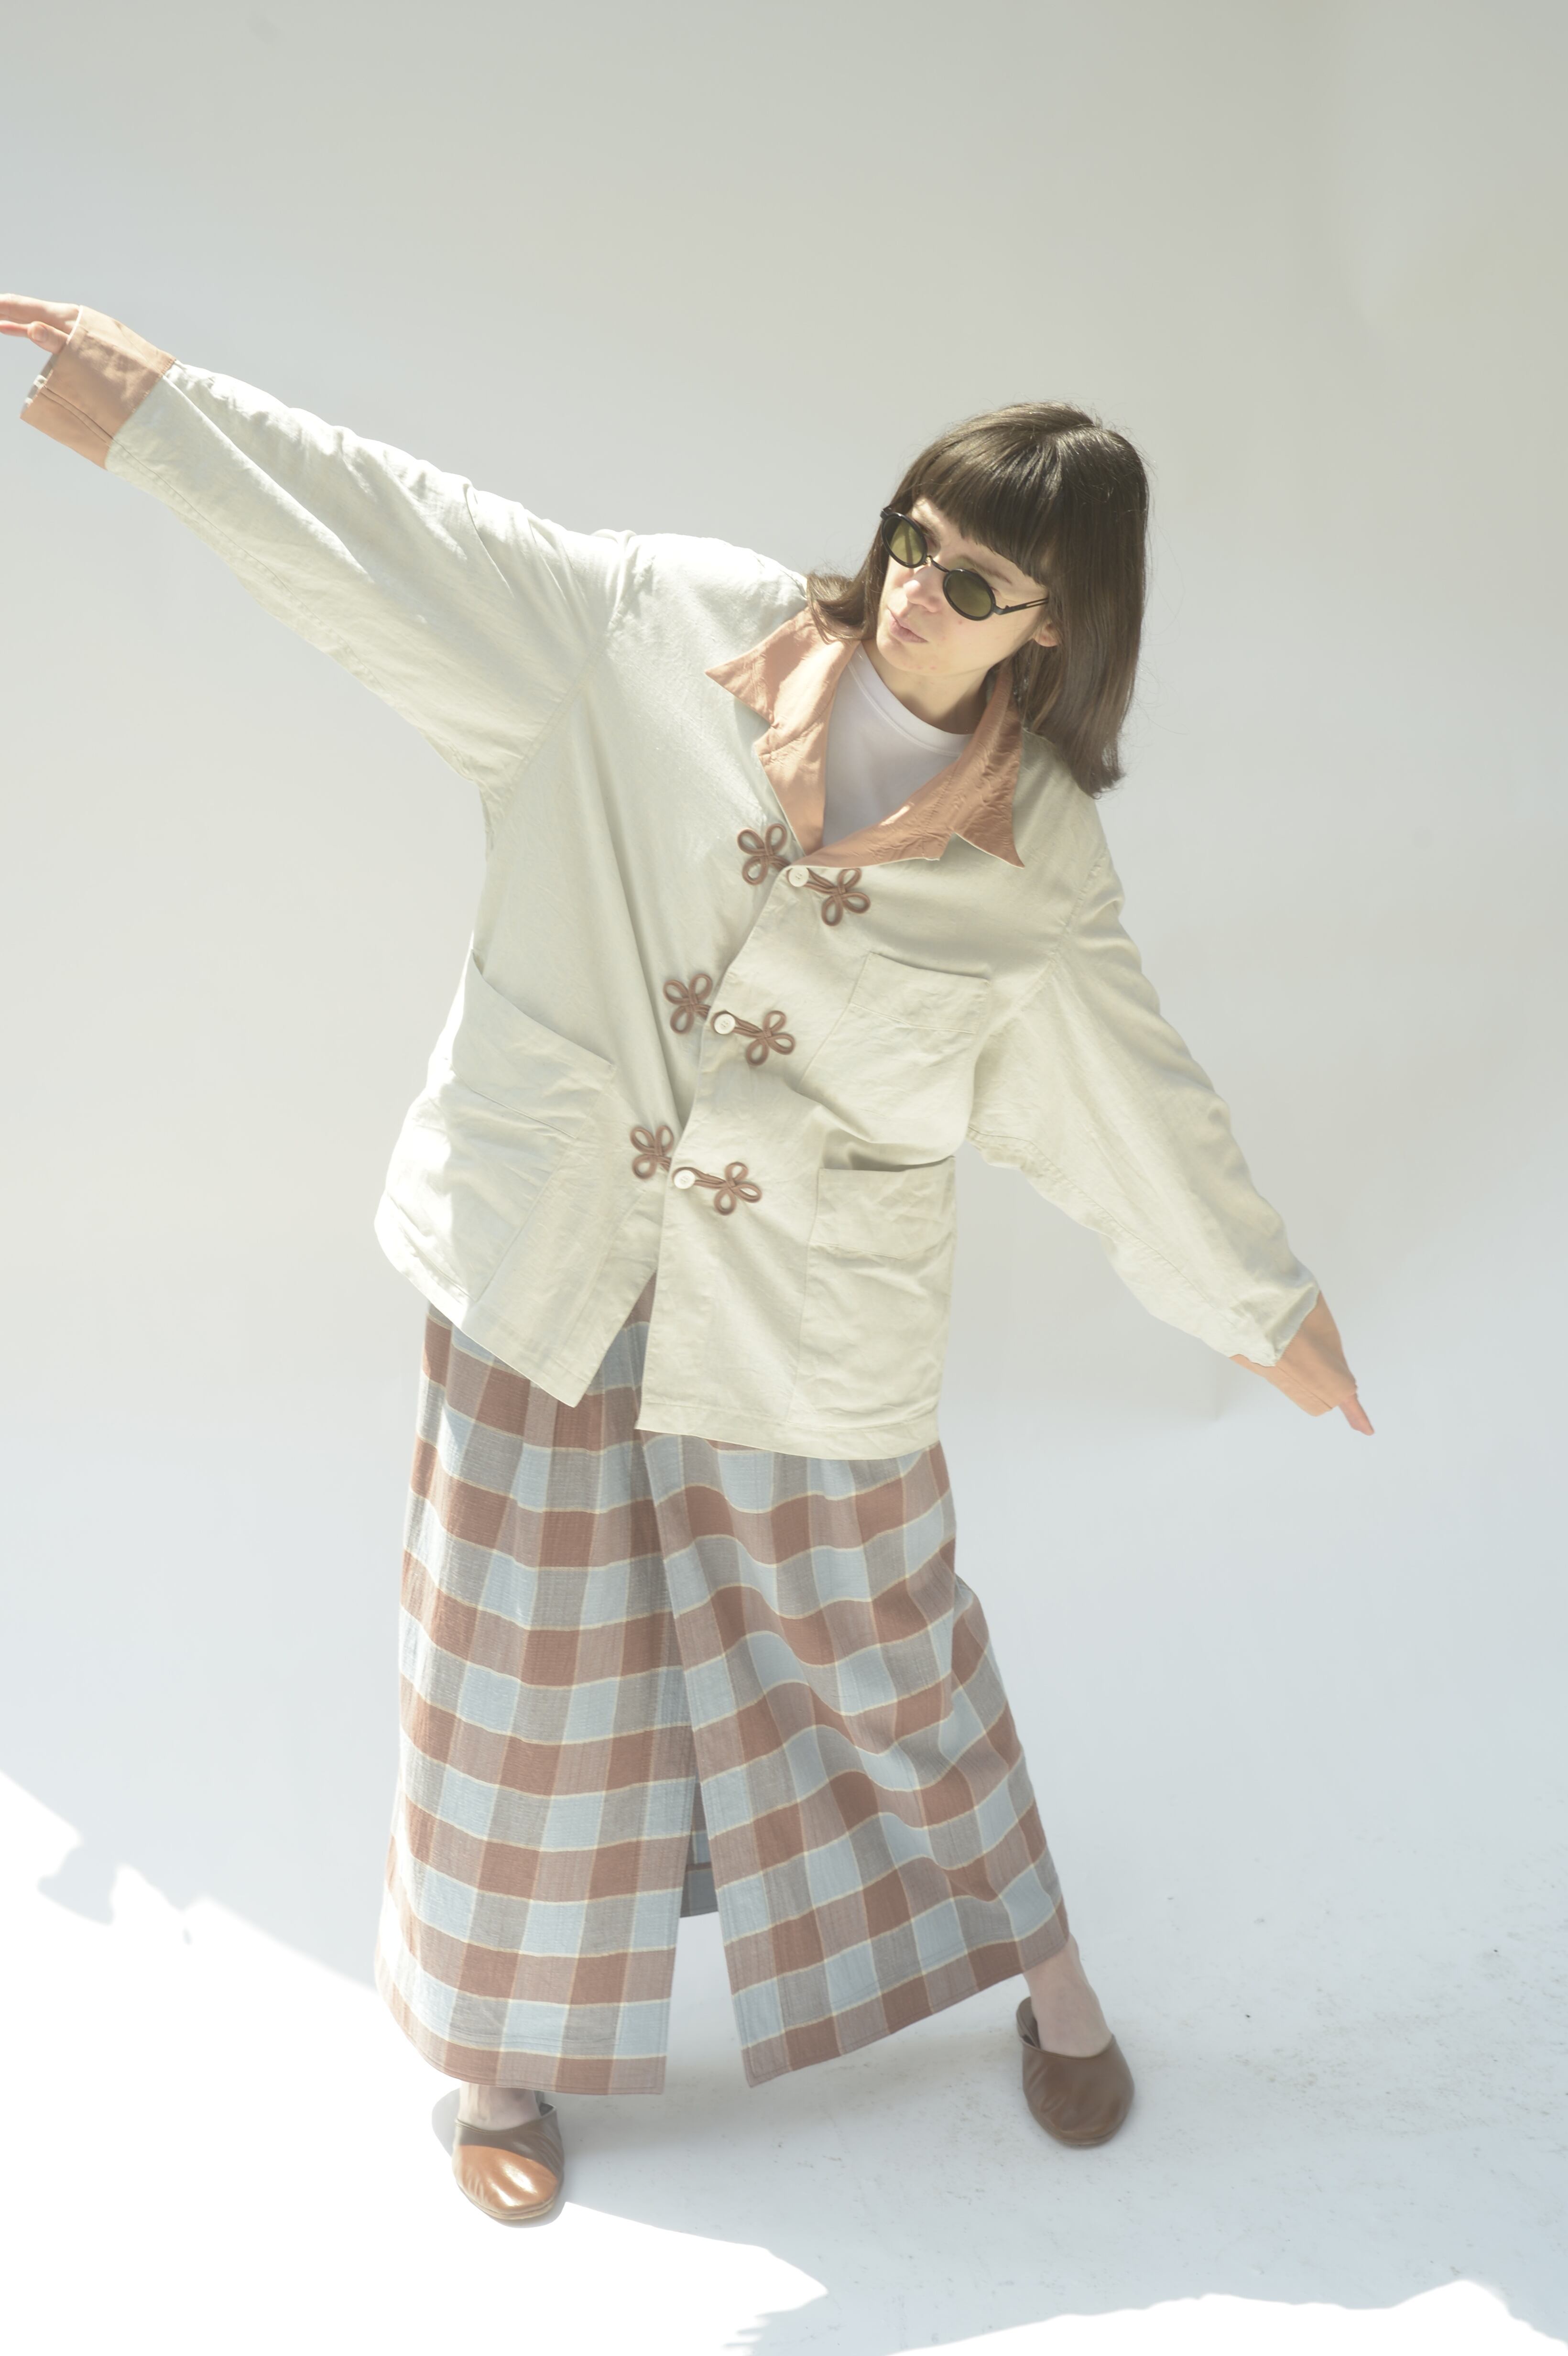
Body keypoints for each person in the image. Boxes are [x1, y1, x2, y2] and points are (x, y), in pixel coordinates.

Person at [4, 295, 1372, 2227]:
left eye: (976, 579)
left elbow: (1127, 1096)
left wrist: (1261, 1306)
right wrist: (163, 419)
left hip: (811, 1312)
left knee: (889, 1652)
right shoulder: (655, 627)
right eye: (912, 536)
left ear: (1054, 627)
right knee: (513, 1659)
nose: (918, 588)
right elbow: (409, 534)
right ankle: (495, 2058)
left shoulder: (1040, 861)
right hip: (552, 1240)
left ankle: (1051, 1985)